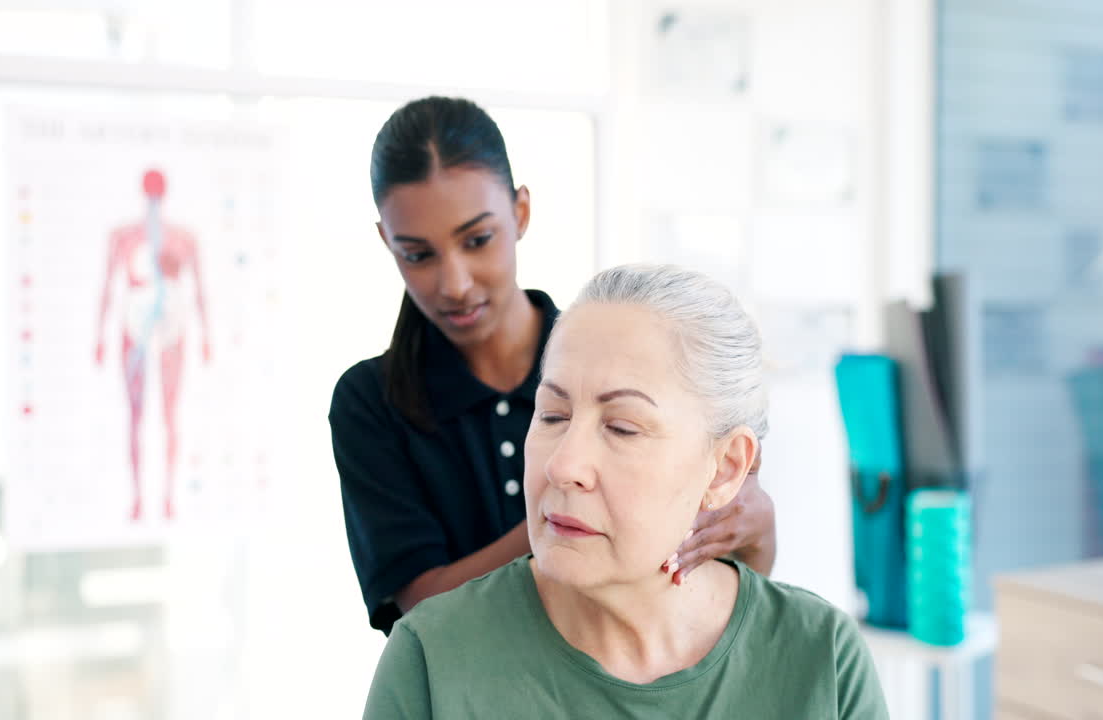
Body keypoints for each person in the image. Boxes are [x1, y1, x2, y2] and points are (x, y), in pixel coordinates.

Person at [329, 97, 777, 635]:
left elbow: (723, 593)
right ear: (387, 242)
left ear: (520, 213)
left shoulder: (613, 362)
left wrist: (756, 529)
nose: (456, 284)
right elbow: (422, 616)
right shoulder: (371, 400)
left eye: (477, 240)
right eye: (418, 254)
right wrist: (569, 516)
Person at [364, 264, 889, 719]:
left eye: (622, 427)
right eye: (552, 414)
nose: (565, 465)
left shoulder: (823, 659)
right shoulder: (432, 660)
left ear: (726, 469)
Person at [96, 168, 211, 521]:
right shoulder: (123, 237)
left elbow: (199, 290)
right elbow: (108, 286)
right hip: (135, 327)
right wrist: (99, 335)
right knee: (136, 416)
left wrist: (207, 336)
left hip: (172, 329)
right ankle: (138, 498)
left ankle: (168, 498)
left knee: (169, 415)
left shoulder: (183, 239)